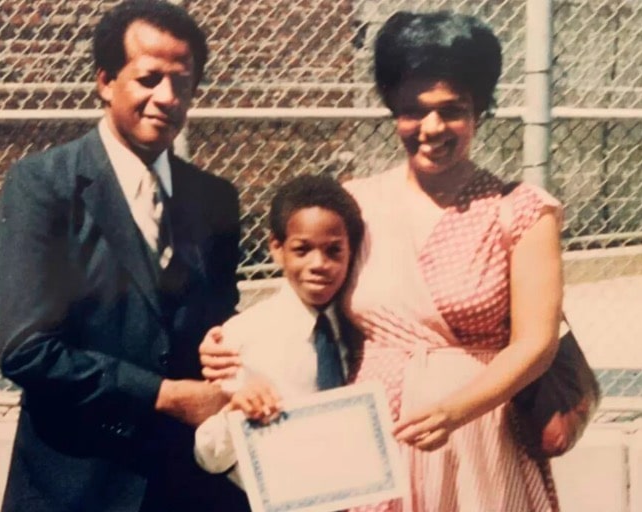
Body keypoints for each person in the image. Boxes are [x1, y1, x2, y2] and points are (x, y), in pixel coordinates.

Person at [202, 11, 563, 512]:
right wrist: (229, 344)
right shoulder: (357, 204)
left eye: (451, 109)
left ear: (480, 109)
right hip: (372, 439)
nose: (431, 127)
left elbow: (537, 344)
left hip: (478, 436)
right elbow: (306, 297)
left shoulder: (521, 210)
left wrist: (455, 412)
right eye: (413, 109)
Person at [0, 1, 250, 510]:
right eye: (149, 78)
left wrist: (225, 345)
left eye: (183, 82)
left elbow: (219, 319)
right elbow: (26, 349)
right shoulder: (44, 187)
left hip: (189, 481)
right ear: (106, 82)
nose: (167, 98)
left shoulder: (215, 198)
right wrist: (165, 395)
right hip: (80, 481)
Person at [193, 175, 364, 488]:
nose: (319, 264)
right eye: (302, 250)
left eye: (334, 251)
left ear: (351, 251)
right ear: (276, 248)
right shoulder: (241, 337)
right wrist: (236, 411)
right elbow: (208, 455)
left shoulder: (362, 328)